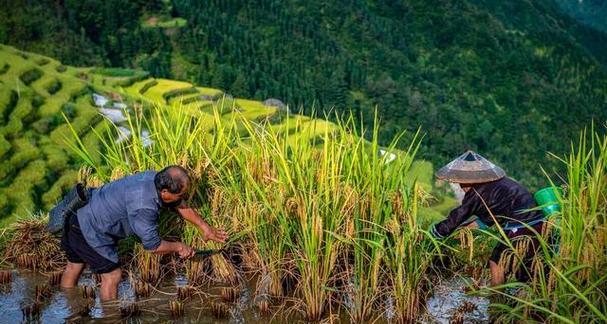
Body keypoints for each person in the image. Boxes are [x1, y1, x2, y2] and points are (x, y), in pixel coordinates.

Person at [59, 165, 228, 301]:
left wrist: (205, 227)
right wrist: (179, 247)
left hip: (77, 214)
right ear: (165, 192)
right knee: (112, 276)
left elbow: (178, 203)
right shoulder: (144, 206)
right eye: (181, 195)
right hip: (89, 228)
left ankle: (69, 308)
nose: (183, 198)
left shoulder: (153, 177)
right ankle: (110, 318)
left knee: (75, 265)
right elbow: (152, 246)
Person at [429, 151, 546, 286]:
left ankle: (497, 298)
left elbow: (458, 216)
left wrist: (436, 233)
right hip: (538, 223)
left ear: (464, 181)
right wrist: (461, 232)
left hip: (522, 226)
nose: (461, 187)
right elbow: (490, 217)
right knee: (527, 268)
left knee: (497, 261)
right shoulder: (497, 185)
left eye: (460, 183)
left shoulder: (476, 193)